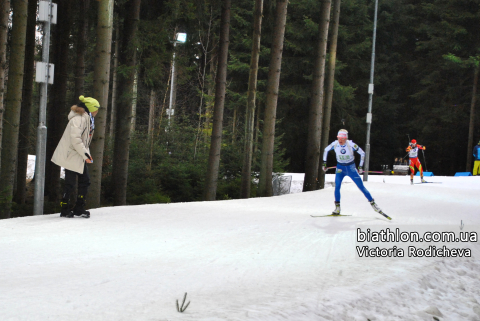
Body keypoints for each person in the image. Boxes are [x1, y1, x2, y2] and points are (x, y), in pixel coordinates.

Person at [51, 95, 100, 218]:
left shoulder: (87, 119)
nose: (97, 112)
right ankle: (65, 208)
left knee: (85, 181)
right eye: (96, 109)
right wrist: (86, 155)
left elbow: (84, 140)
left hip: (78, 154)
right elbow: (76, 140)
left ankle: (79, 207)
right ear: (90, 109)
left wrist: (86, 154)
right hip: (72, 155)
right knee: (70, 183)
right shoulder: (78, 119)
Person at [322, 129, 383, 216]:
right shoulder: (335, 144)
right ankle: (337, 208)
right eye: (339, 138)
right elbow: (325, 150)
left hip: (351, 168)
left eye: (342, 138)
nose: (340, 140)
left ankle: (374, 204)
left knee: (361, 187)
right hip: (340, 168)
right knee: (337, 186)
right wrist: (324, 163)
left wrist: (360, 166)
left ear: (346, 138)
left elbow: (362, 153)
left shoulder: (351, 144)